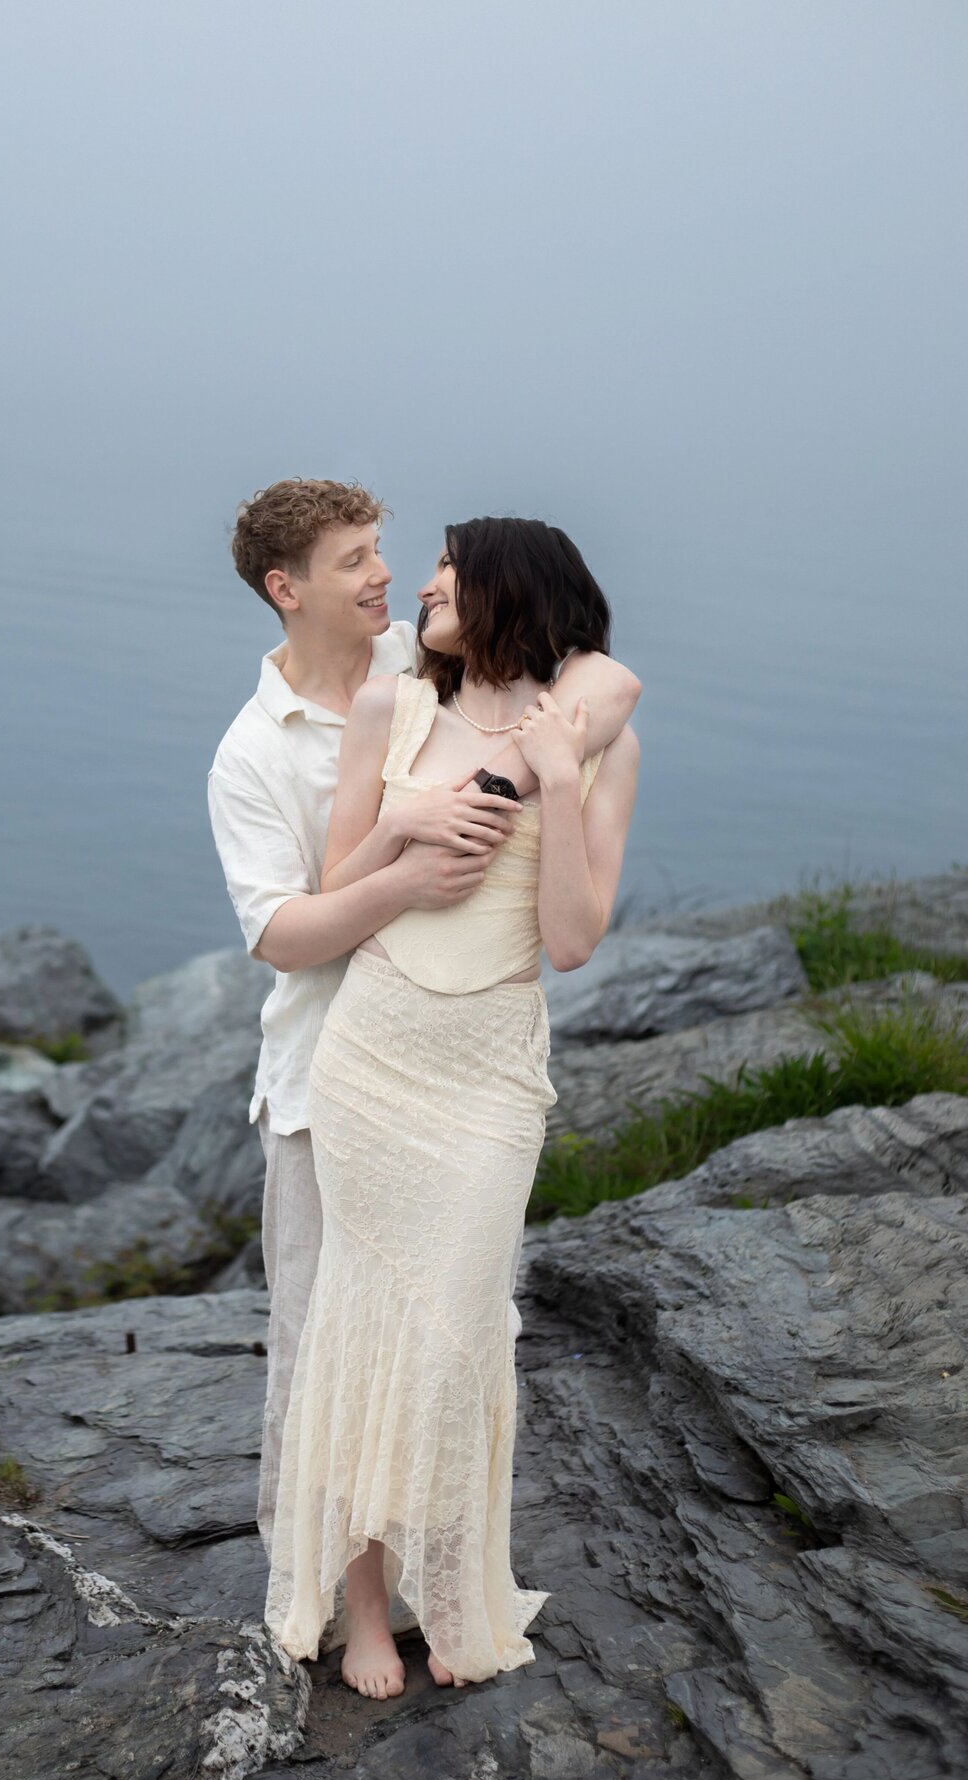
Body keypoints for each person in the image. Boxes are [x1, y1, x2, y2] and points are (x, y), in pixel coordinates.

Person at [206, 479, 642, 1595]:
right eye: (356, 559)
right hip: (329, 1069)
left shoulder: (421, 658)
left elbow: (597, 671)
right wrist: (406, 856)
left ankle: (435, 1586)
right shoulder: (252, 753)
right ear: (284, 588)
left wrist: (536, 766)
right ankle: (319, 1590)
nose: (386, 577)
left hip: (475, 1055)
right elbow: (286, 935)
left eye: (384, 553)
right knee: (324, 1349)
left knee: (450, 1338)